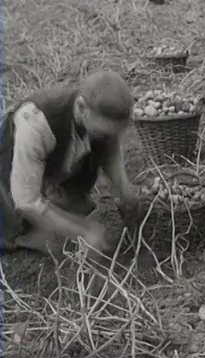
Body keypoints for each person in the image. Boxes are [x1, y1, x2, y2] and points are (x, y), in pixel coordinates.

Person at [0, 70, 142, 261]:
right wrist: (81, 232)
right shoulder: (35, 123)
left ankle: (59, 201)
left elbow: (110, 152)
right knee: (56, 243)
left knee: (78, 216)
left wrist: (125, 192)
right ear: (82, 107)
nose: (108, 137)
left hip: (56, 173)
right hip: (15, 178)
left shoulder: (97, 121)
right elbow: (27, 203)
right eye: (104, 133)